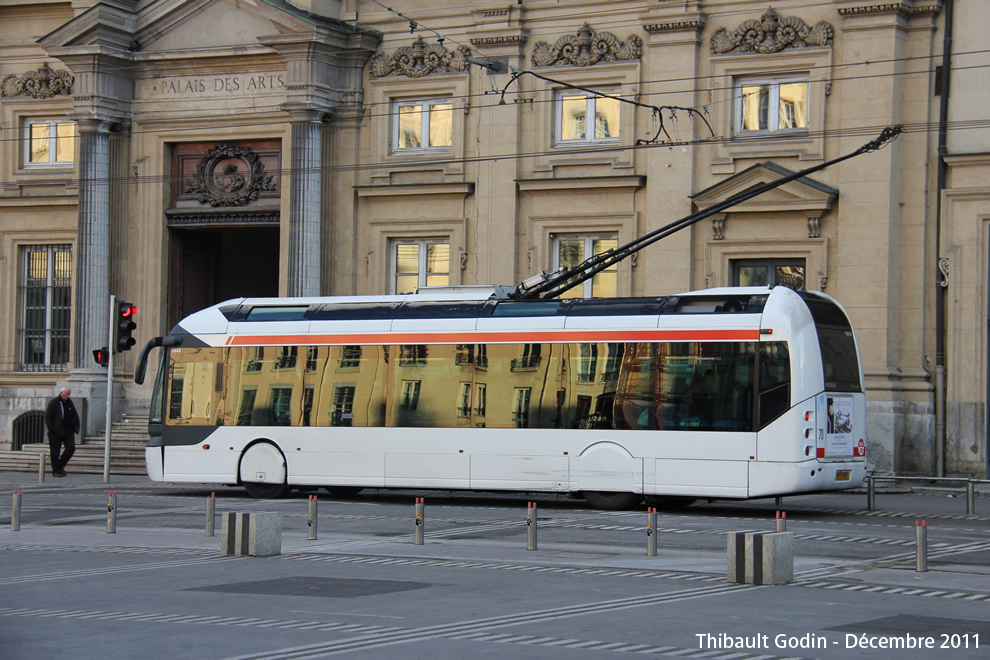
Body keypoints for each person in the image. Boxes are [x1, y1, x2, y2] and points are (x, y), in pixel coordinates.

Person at [45, 387, 79, 477]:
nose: (68, 396)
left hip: (68, 431)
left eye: (69, 394)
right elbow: (48, 417)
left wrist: (75, 427)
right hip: (56, 431)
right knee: (55, 452)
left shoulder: (69, 403)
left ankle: (60, 466)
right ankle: (56, 471)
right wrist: (51, 429)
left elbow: (74, 414)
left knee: (70, 448)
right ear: (61, 393)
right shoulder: (54, 403)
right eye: (66, 394)